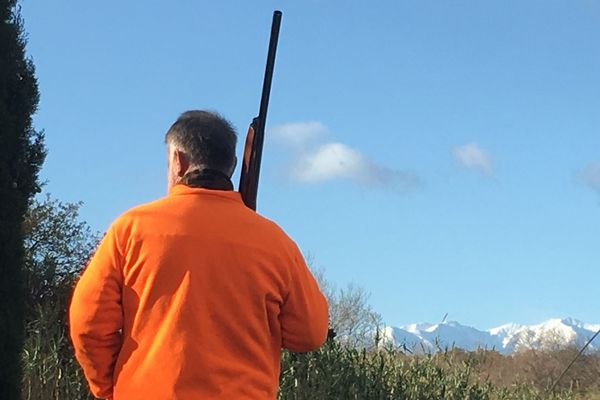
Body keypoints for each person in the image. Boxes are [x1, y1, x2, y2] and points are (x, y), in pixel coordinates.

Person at [69, 110, 329, 400]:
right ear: (230, 165)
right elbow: (310, 333)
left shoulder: (130, 229)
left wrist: (110, 388)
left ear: (178, 161)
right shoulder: (277, 243)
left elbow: (88, 323)